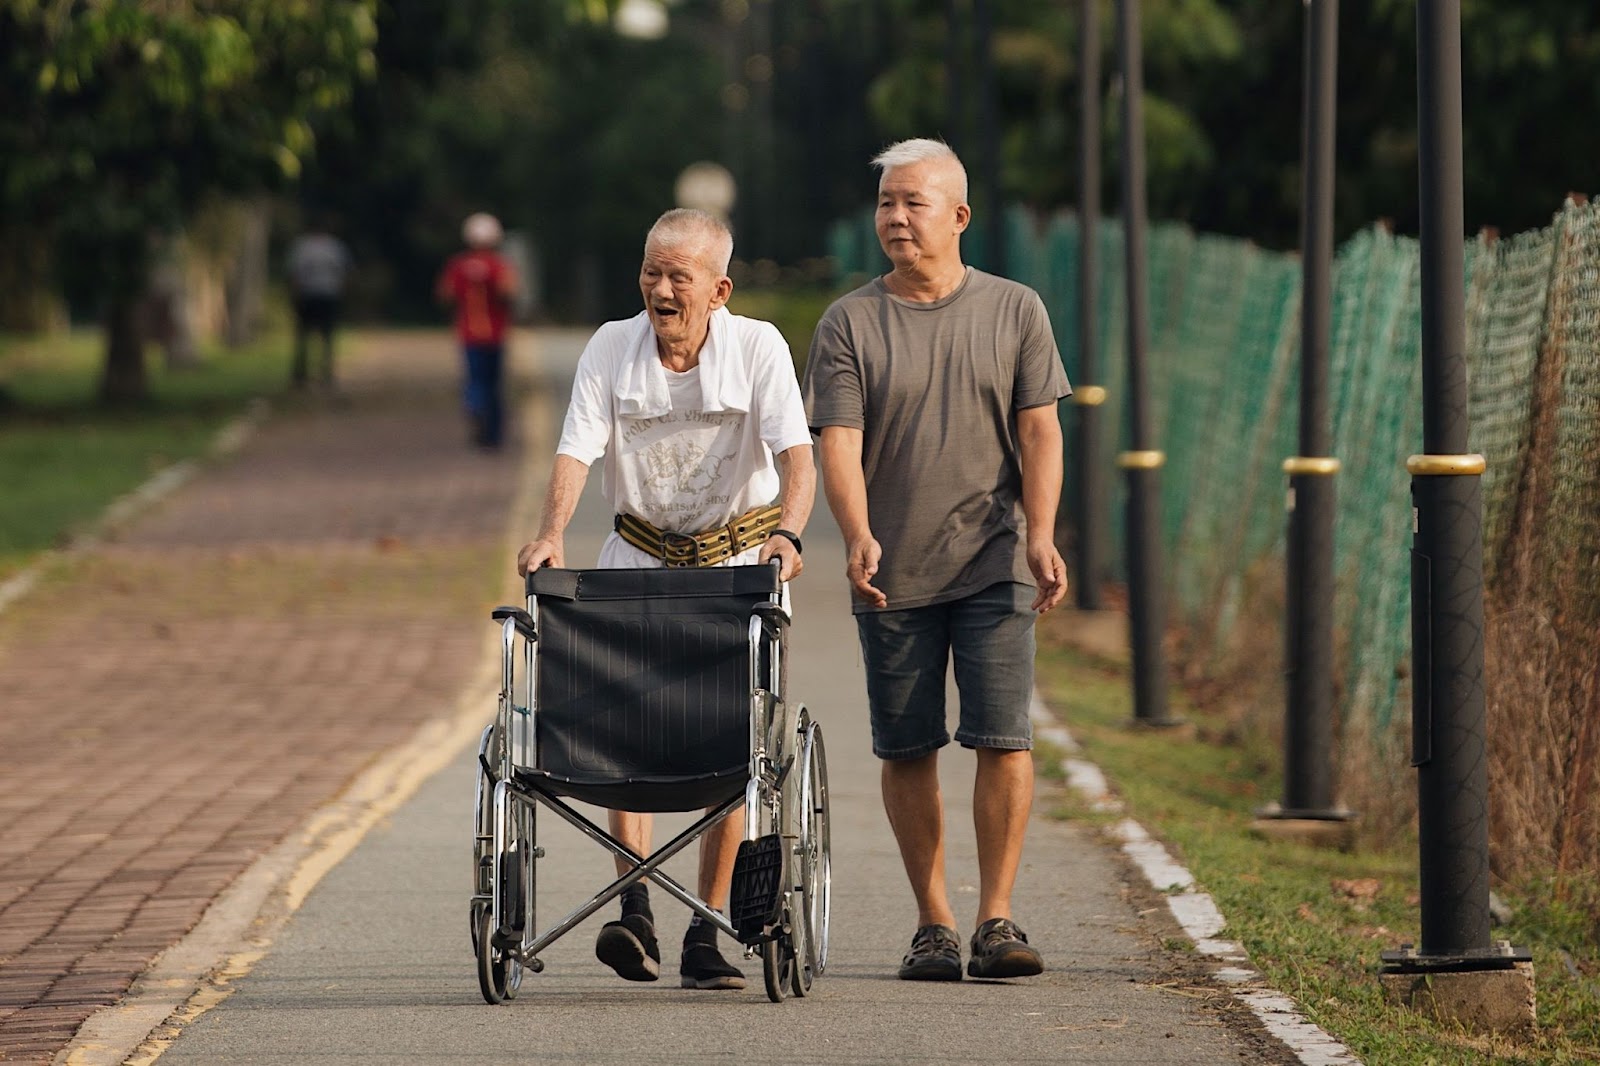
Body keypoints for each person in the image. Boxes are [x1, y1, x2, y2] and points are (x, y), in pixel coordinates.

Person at [515, 208, 814, 990]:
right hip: (639, 554)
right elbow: (577, 446)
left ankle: (707, 932)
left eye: (678, 275)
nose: (660, 288)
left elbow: (797, 458)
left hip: (736, 562)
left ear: (719, 289)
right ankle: (635, 906)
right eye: (651, 271)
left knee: (734, 745)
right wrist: (552, 533)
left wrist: (791, 535)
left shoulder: (757, 348)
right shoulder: (613, 346)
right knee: (626, 731)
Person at [801, 138, 1071, 982]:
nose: (894, 218)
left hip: (995, 561)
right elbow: (838, 444)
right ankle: (934, 922)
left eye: (912, 203)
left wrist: (1039, 530)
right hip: (893, 573)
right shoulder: (850, 321)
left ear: (958, 217)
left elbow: (1040, 430)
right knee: (907, 746)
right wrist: (856, 533)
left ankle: (995, 917)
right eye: (885, 202)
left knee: (1003, 736)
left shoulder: (1016, 310)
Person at [436, 213, 519, 449]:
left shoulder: (458, 265)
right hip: (495, 333)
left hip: (469, 333)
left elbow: (445, 294)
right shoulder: (499, 265)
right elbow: (509, 291)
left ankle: (475, 407)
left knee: (475, 379)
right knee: (494, 383)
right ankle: (493, 432)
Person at [286, 219, 353, 389]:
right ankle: (326, 373)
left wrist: (294, 295)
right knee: (327, 336)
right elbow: (345, 272)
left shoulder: (302, 247)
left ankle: (300, 374)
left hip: (308, 295)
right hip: (329, 295)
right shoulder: (335, 247)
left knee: (303, 336)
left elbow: (294, 274)